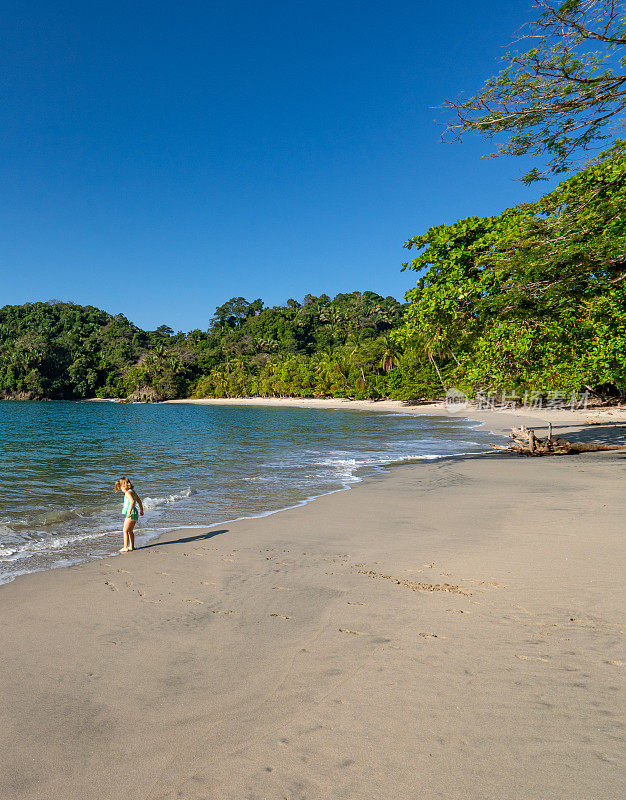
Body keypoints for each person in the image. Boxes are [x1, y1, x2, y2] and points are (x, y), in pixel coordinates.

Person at [114, 477, 144, 553]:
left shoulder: (127, 493)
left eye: (120, 488)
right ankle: (132, 546)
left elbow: (132, 501)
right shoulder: (133, 492)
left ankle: (125, 547)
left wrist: (129, 512)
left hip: (130, 513)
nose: (121, 490)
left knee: (125, 530)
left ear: (123, 486)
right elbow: (139, 501)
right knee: (130, 530)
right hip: (135, 513)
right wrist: (141, 510)